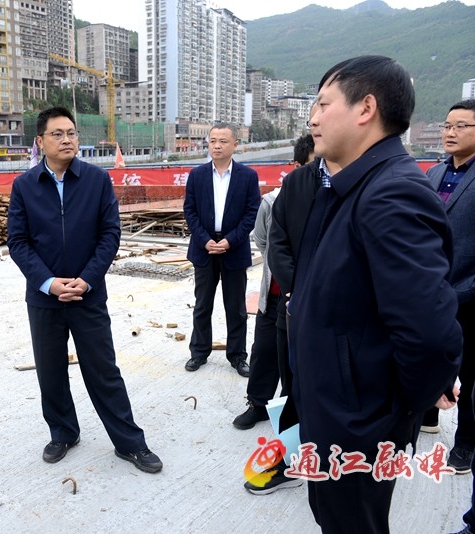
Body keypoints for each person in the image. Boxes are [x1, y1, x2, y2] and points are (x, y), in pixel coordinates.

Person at [286, 55, 462, 533]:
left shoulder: (391, 193)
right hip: (336, 410)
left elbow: (431, 336)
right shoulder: (348, 185)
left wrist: (390, 412)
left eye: (323, 104)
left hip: (357, 424)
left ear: (366, 108)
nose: (313, 118)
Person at [7, 106, 162, 474]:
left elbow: (110, 234)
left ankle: (130, 443)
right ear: (40, 141)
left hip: (87, 295)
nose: (67, 140)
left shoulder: (96, 180)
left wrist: (87, 279)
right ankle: (63, 433)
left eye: (71, 133)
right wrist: (48, 283)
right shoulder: (24, 186)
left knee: (103, 370)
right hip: (44, 299)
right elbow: (18, 241)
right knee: (50, 371)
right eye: (57, 134)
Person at [237, 134, 315, 496]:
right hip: (276, 297)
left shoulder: (333, 200)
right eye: (311, 165)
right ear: (296, 167)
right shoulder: (273, 201)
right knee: (265, 353)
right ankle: (258, 404)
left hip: (309, 303)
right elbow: (264, 241)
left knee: (297, 372)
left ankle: (292, 430)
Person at [423, 99, 475, 476]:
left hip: (468, 293)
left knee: (469, 372)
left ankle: (466, 442)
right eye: (447, 125)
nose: (450, 133)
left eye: (461, 126)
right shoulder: (434, 173)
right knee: (426, 357)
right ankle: (427, 414)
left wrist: (465, 289)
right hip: (429, 290)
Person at [183, 123, 260, 376]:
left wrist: (230, 240)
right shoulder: (197, 175)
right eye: (213, 140)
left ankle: (237, 356)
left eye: (223, 141)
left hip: (233, 249)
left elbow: (251, 213)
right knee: (202, 305)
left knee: (236, 307)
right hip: (204, 248)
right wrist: (204, 239)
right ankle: (198, 352)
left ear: (235, 145)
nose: (217, 146)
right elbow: (190, 211)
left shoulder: (247, 177)